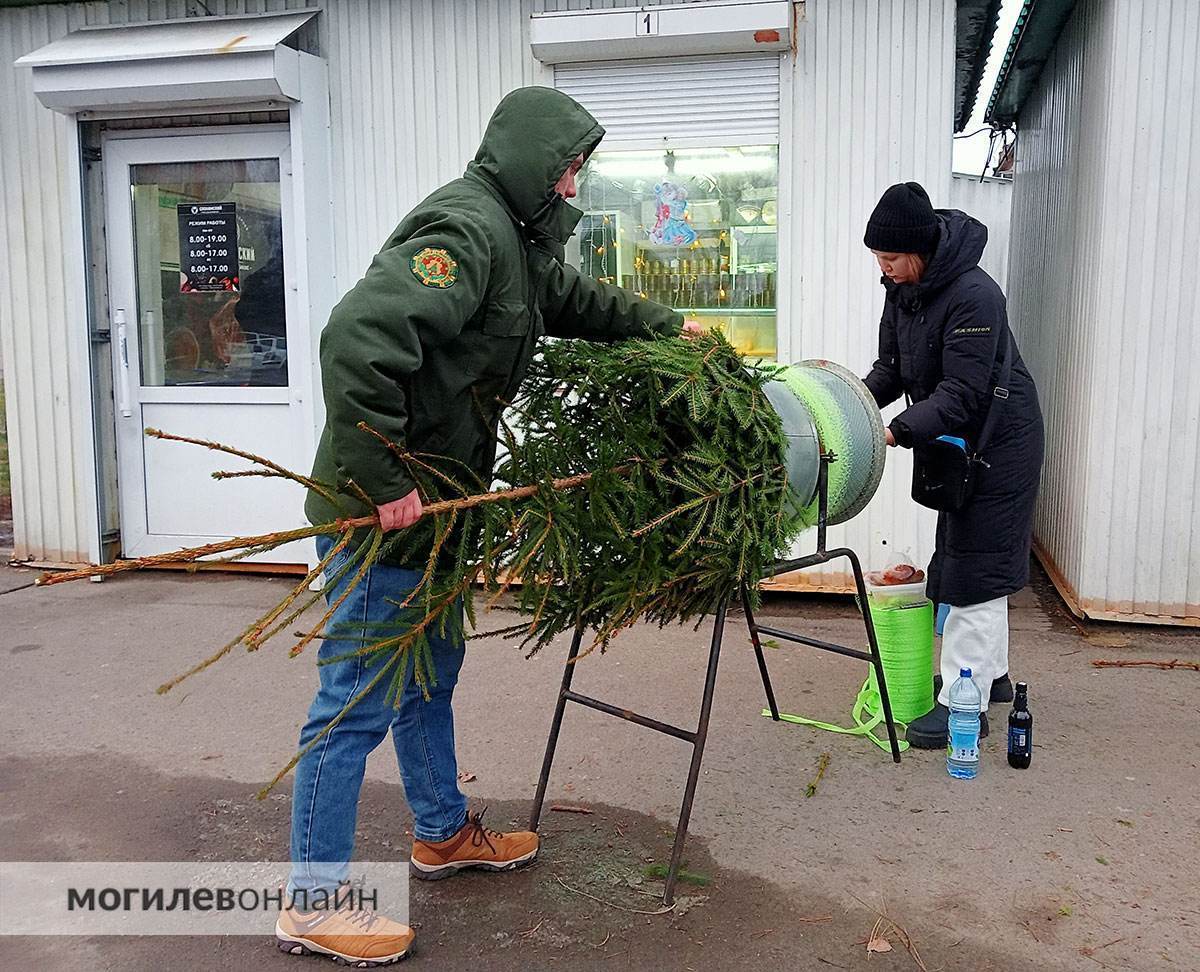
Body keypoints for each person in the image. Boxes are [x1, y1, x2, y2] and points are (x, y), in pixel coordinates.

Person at [275, 86, 700, 965]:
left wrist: (671, 324)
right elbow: (358, 335)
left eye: (581, 170)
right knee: (353, 702)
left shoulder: (516, 242)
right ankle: (313, 901)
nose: (577, 187)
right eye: (570, 169)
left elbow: (580, 302)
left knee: (429, 675)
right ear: (535, 165)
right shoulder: (468, 230)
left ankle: (440, 832)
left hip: (441, 512)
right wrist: (379, 477)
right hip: (387, 514)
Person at [861, 182, 1044, 750]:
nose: (884, 271)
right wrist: (852, 408)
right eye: (879, 261)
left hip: (1000, 438)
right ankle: (989, 680)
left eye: (890, 260)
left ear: (919, 250)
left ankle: (963, 703)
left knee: (976, 568)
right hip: (958, 440)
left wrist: (894, 431)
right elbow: (890, 371)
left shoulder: (975, 295)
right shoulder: (904, 290)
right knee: (965, 554)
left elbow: (963, 392)